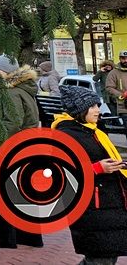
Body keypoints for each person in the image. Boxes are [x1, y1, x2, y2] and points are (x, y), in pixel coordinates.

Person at [52, 85, 127, 265]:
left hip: (106, 205)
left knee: (105, 257)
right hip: (91, 207)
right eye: (92, 106)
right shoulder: (66, 135)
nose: (97, 110)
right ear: (79, 110)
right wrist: (97, 168)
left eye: (97, 105)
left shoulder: (91, 130)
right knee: (101, 259)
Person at [0, 54, 44, 249]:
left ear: (5, 72)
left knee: (6, 193)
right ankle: (30, 236)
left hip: (13, 147)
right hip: (26, 147)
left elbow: (12, 122)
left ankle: (7, 237)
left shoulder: (12, 93)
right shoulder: (25, 90)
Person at [106, 51, 127, 117]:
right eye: (123, 58)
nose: (126, 60)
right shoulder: (113, 73)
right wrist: (122, 95)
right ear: (120, 59)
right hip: (124, 107)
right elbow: (109, 87)